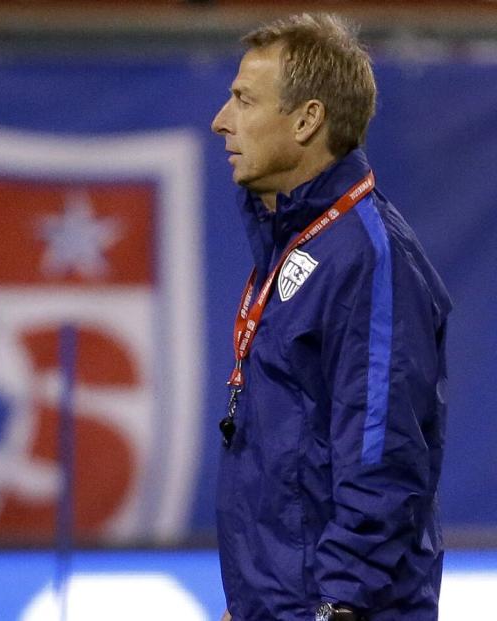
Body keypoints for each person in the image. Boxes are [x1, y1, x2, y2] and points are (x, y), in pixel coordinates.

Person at [210, 13, 451, 621]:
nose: (221, 121)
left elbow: (383, 455)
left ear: (307, 119)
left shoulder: (368, 257)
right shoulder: (296, 246)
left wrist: (339, 604)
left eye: (243, 99)